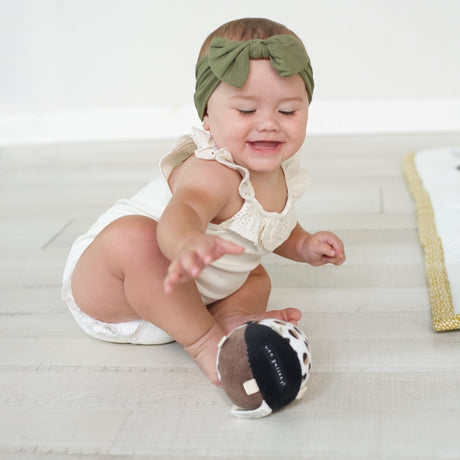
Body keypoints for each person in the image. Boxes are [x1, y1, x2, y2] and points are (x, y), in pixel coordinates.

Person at [62, 17, 345, 386]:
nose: (268, 124)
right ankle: (203, 341)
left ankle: (228, 318)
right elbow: (185, 212)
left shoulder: (281, 171)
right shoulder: (212, 170)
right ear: (207, 116)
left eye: (288, 111)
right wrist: (186, 242)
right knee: (135, 240)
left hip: (187, 300)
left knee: (254, 274)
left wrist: (303, 245)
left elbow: (269, 227)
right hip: (114, 292)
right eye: (247, 111)